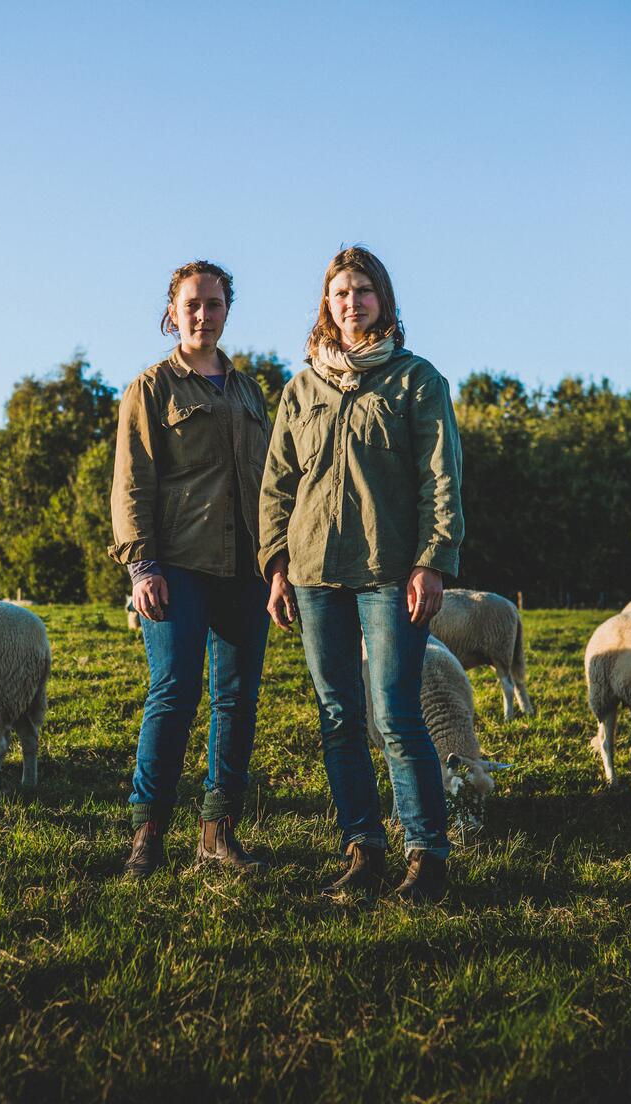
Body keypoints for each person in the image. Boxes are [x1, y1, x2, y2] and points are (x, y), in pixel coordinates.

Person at [258, 246, 464, 902]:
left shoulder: (416, 380)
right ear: (328, 303)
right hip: (315, 573)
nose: (352, 303)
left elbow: (441, 478)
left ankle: (426, 857)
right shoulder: (302, 389)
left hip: (388, 571)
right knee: (338, 714)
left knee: (396, 711)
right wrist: (277, 563)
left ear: (384, 300)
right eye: (341, 292)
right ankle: (362, 850)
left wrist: (432, 559)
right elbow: (277, 484)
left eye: (364, 291)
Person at [109, 260, 272, 879]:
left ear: (228, 310)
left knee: (237, 700)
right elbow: (131, 483)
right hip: (176, 566)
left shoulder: (250, 392)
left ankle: (217, 833)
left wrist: (277, 562)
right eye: (192, 305)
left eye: (215, 304)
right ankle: (146, 837)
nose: (204, 315)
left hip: (246, 569)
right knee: (172, 695)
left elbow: (271, 483)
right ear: (173, 313)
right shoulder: (151, 388)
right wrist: (142, 565)